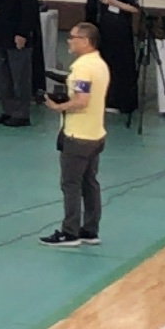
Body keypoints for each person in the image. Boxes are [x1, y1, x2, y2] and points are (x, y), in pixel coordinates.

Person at [45, 13, 112, 247]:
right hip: (96, 133)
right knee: (90, 183)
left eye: (73, 38)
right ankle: (90, 229)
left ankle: (69, 231)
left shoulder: (82, 68)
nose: (69, 41)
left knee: (71, 184)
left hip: (78, 135)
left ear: (85, 41)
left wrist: (58, 106)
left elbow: (81, 100)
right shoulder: (100, 64)